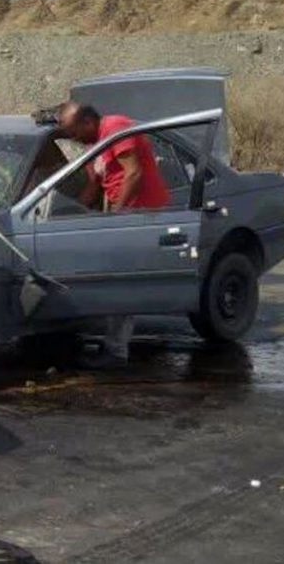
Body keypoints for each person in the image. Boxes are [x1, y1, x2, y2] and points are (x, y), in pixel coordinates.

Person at [57, 102, 170, 369]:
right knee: (113, 276)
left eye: (74, 132)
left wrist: (117, 217)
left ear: (87, 122)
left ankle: (116, 352)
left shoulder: (114, 128)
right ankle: (114, 343)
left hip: (139, 213)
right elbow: (96, 185)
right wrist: (71, 213)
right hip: (121, 209)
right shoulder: (95, 142)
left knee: (120, 279)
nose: (74, 139)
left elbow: (133, 173)